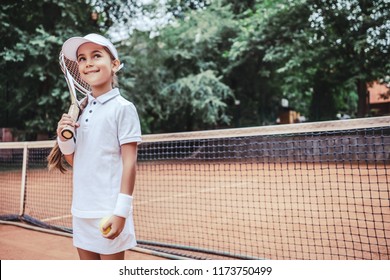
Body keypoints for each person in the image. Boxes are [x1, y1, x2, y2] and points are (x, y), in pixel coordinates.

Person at [48, 34, 142, 260]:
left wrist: (121, 212)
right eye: (82, 59)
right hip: (81, 211)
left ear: (115, 64)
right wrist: (63, 138)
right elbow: (76, 161)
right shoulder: (81, 108)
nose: (88, 62)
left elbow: (129, 163)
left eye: (96, 55)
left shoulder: (123, 108)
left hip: (108, 211)